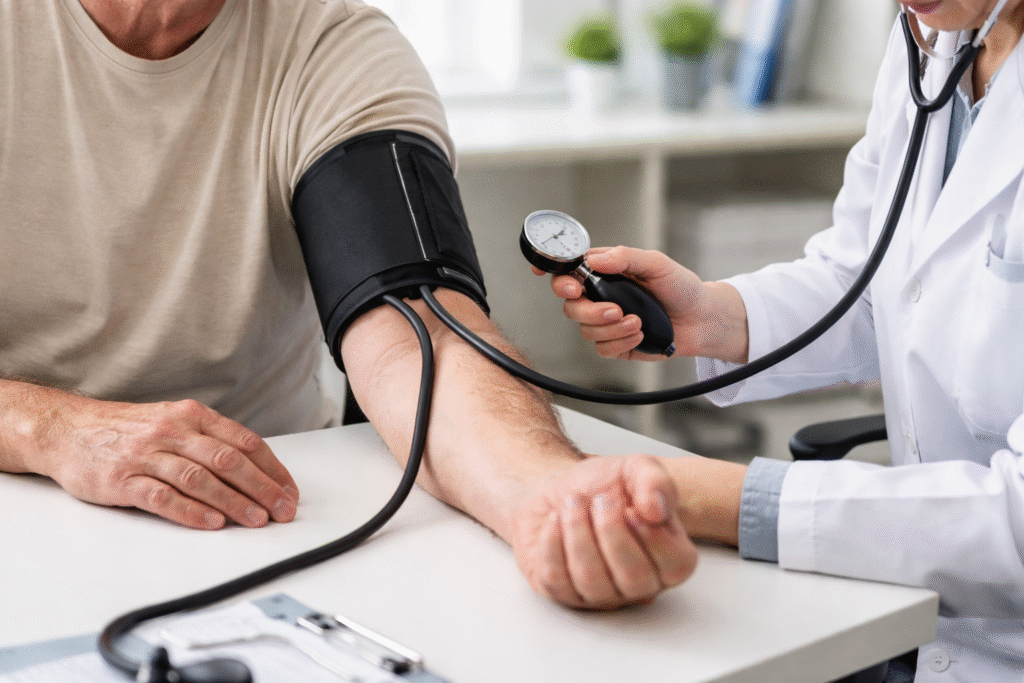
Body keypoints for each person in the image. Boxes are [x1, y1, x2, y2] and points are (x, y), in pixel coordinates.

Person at [0, 0, 698, 611]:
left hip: (260, 516)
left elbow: (425, 335)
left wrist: (540, 492)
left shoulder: (334, 49)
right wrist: (55, 428)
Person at [544, 0, 1024, 679]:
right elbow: (870, 278)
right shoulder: (936, 40)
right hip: (916, 616)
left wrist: (729, 499)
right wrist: (711, 315)